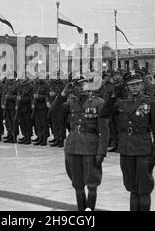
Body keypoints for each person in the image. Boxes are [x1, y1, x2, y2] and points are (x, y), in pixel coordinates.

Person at [100, 70, 155, 211]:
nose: (135, 87)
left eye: (137, 84)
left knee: (144, 188)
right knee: (132, 187)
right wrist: (113, 96)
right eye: (131, 85)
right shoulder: (121, 103)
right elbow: (104, 114)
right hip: (126, 149)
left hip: (143, 150)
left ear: (142, 85)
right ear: (127, 87)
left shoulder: (150, 102)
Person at [61, 77, 109, 211]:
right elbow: (53, 112)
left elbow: (104, 131)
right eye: (78, 86)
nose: (82, 88)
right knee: (77, 183)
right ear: (74, 88)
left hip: (90, 147)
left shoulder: (98, 103)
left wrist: (101, 152)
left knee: (92, 183)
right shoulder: (71, 102)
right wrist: (64, 93)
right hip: (73, 146)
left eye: (85, 85)